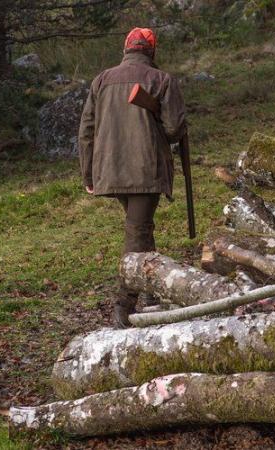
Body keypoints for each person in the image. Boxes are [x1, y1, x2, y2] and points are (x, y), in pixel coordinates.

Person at [78, 28, 187, 328]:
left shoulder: (101, 79)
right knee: (137, 234)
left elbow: (86, 129)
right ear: (151, 51)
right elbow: (174, 130)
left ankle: (150, 293)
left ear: (126, 48)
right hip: (144, 169)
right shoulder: (162, 80)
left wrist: (89, 174)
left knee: (140, 227)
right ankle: (123, 305)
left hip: (110, 171)